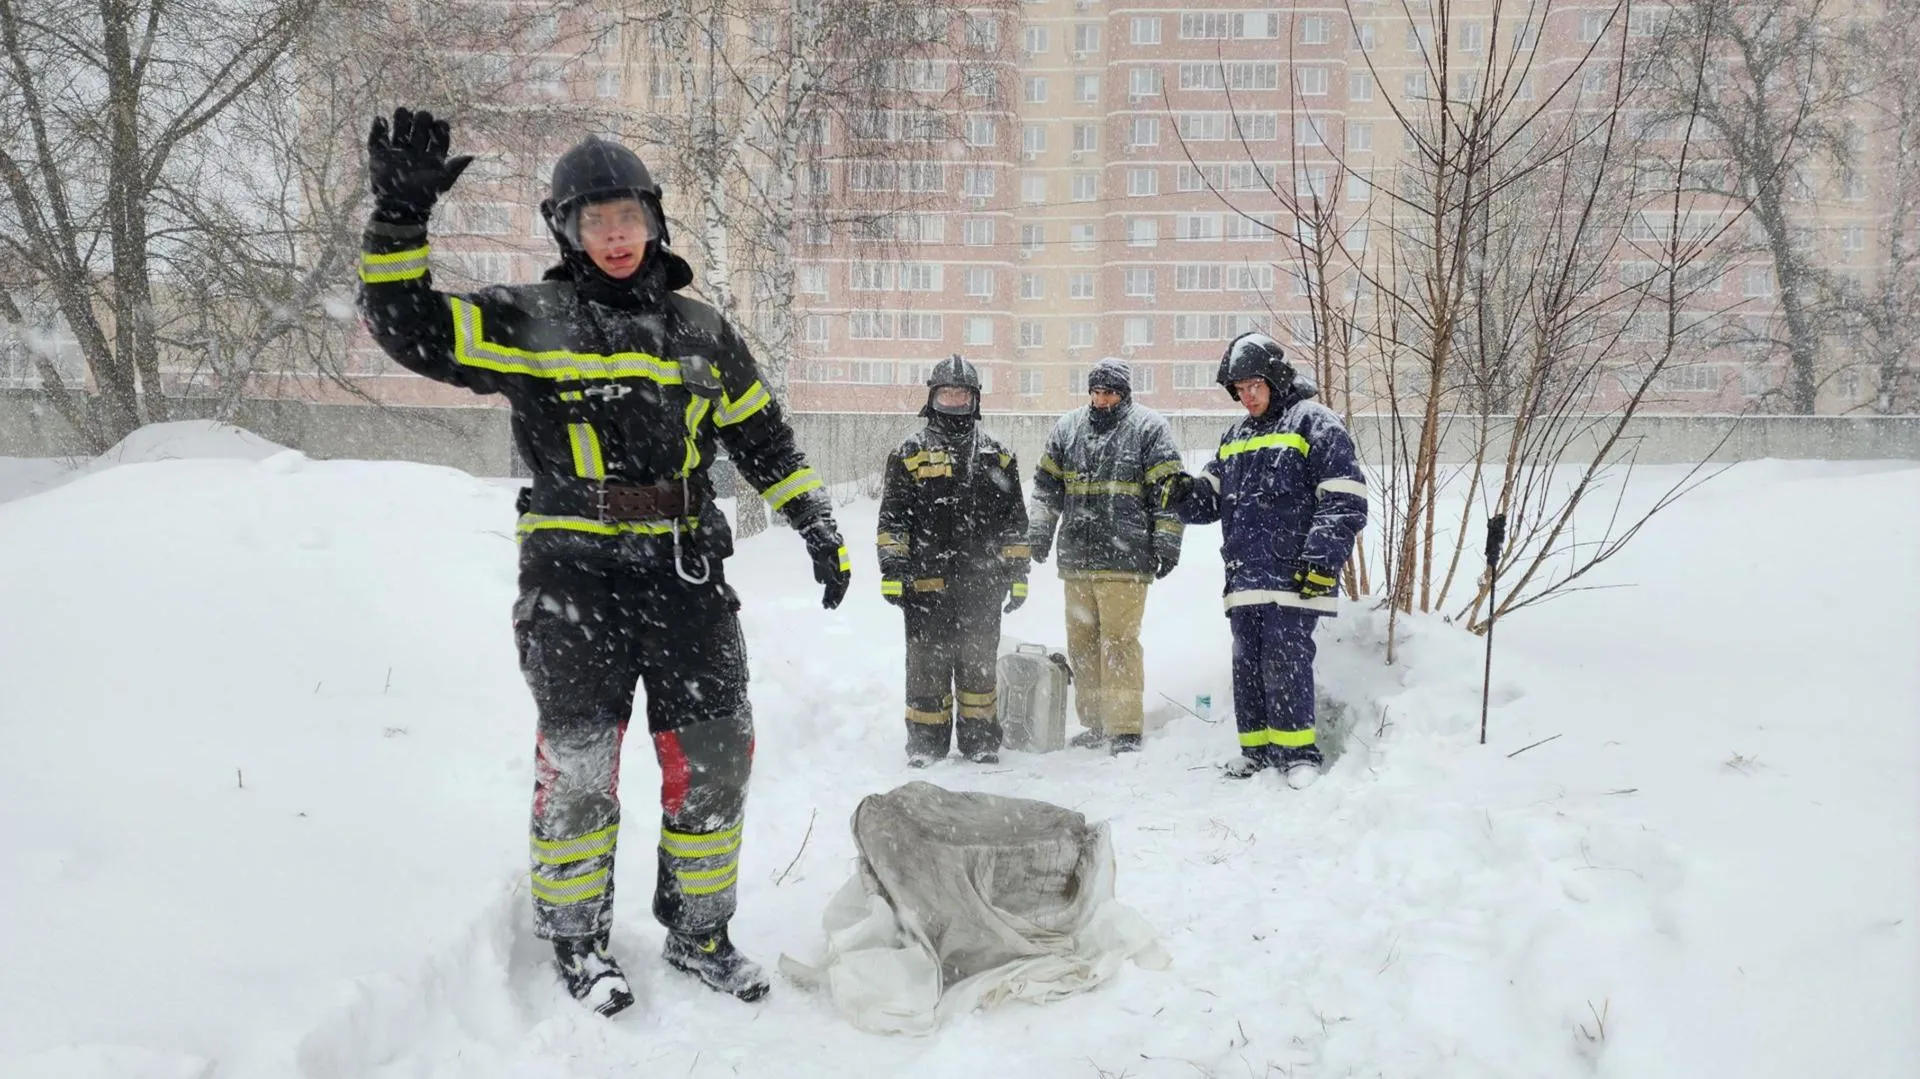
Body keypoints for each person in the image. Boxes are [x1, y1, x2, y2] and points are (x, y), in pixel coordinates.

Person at [356, 108, 852, 1016]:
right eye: (594, 222)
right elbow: (410, 327)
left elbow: (763, 435)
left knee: (712, 756)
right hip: (573, 579)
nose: (615, 236)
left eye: (627, 218)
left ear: (654, 221)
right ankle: (577, 938)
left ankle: (701, 930)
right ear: (565, 231)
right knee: (581, 762)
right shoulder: (529, 321)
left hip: (686, 575)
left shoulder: (701, 331)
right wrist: (398, 221)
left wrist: (815, 520)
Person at [1163, 333, 1369, 788]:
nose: (1247, 396)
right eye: (1239, 388)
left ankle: (1299, 755)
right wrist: (1183, 494)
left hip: (1296, 576)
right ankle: (1255, 750)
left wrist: (1320, 559)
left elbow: (1344, 499)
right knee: (1248, 665)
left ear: (1275, 378)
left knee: (1286, 662)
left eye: (1254, 384)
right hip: (1245, 578)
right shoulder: (1235, 436)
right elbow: (1210, 499)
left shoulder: (1313, 423)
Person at [875, 356, 1030, 767]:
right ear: (933, 397)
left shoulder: (997, 455)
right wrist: (893, 570)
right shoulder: (909, 453)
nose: (954, 401)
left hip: (982, 586)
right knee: (927, 666)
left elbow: (1015, 523)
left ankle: (980, 740)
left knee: (978, 668)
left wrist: (1018, 575)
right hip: (924, 588)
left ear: (975, 400)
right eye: (947, 394)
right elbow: (893, 521)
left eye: (962, 394)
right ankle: (926, 742)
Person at [1026, 358, 1185, 755]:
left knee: (1119, 643)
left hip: (1125, 559)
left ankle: (1125, 727)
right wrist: (1040, 531)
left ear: (1125, 393)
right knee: (1082, 644)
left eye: (1110, 392)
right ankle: (1095, 723)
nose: (1102, 399)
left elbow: (1168, 492)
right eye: (1096, 392)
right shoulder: (1068, 428)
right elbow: (1046, 488)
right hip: (1077, 559)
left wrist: (1167, 540)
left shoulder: (1149, 429)